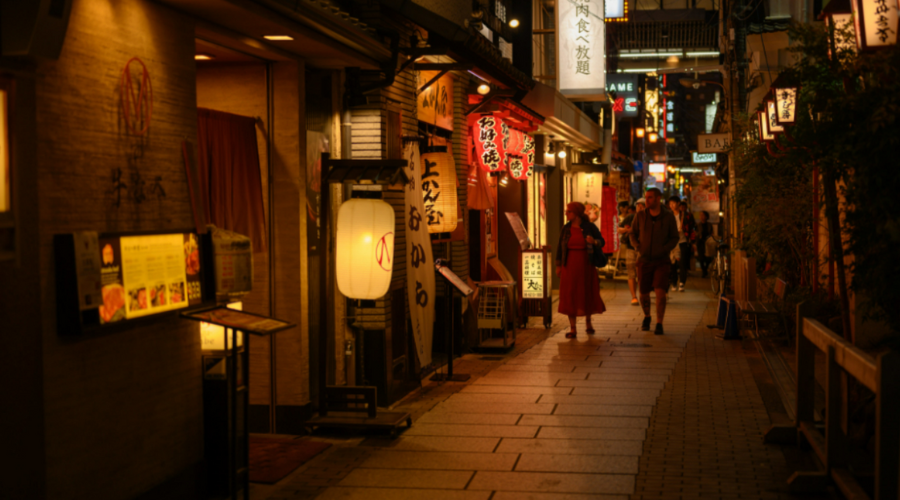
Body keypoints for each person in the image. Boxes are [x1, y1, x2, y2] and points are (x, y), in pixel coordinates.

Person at [630, 189, 680, 335]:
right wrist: (638, 246)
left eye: (650, 198)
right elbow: (632, 233)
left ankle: (659, 322)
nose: (647, 200)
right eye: (646, 198)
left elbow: (674, 237)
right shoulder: (640, 216)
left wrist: (664, 249)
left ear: (658, 199)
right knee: (644, 293)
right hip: (644, 260)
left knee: (660, 292)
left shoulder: (668, 217)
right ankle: (647, 316)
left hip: (661, 261)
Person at [556, 202, 606, 339]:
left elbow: (602, 241)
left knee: (586, 292)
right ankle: (573, 328)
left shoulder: (589, 227)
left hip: (586, 264)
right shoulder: (566, 228)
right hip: (569, 265)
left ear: (577, 214)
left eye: (569, 211)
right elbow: (560, 248)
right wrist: (558, 265)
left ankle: (588, 323)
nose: (566, 213)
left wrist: (594, 242)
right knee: (570, 294)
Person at [618, 203, 639, 305]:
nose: (641, 208)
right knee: (631, 272)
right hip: (630, 248)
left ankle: (644, 294)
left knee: (642, 273)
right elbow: (618, 229)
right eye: (639, 206)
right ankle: (634, 296)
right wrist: (627, 230)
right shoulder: (630, 217)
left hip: (644, 250)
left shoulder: (650, 218)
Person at [695, 210, 714, 277]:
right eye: (700, 215)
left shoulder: (709, 224)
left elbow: (711, 233)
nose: (701, 216)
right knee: (701, 258)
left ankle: (705, 269)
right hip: (700, 242)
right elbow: (696, 233)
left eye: (703, 215)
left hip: (708, 242)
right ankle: (704, 271)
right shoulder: (698, 225)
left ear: (706, 216)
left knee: (709, 258)